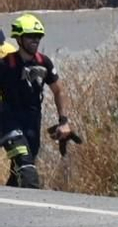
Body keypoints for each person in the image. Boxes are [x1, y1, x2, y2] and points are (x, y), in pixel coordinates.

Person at [0, 14, 73, 189]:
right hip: (8, 120)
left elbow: (59, 90)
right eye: (31, 36)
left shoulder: (44, 62)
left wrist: (64, 122)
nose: (35, 40)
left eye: (38, 36)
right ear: (19, 38)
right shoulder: (5, 64)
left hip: (32, 121)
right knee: (27, 171)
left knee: (18, 176)